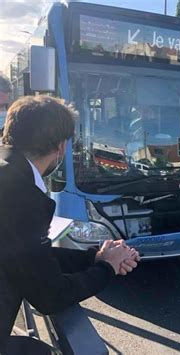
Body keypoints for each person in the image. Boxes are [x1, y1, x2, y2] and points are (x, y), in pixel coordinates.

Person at [0, 96, 140, 354]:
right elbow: (50, 296)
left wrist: (94, 258)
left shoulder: (8, 172)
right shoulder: (21, 193)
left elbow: (29, 255)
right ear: (61, 146)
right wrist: (107, 267)